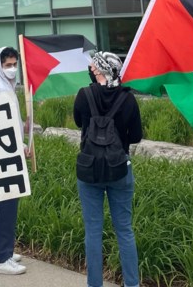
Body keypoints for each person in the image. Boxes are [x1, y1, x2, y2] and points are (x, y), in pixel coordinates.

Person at [72, 51, 142, 287]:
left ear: (100, 69)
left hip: (89, 169)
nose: (90, 69)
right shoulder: (128, 98)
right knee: (124, 229)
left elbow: (79, 123)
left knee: (93, 230)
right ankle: (132, 284)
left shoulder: (84, 95)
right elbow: (137, 136)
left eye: (93, 66)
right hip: (119, 168)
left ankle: (95, 284)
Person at [0, 46, 32, 275]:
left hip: (6, 153)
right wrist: (20, 146)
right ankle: (1, 259)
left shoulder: (5, 86)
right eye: (7, 65)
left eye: (14, 64)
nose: (12, 69)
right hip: (4, 154)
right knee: (6, 205)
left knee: (1, 204)